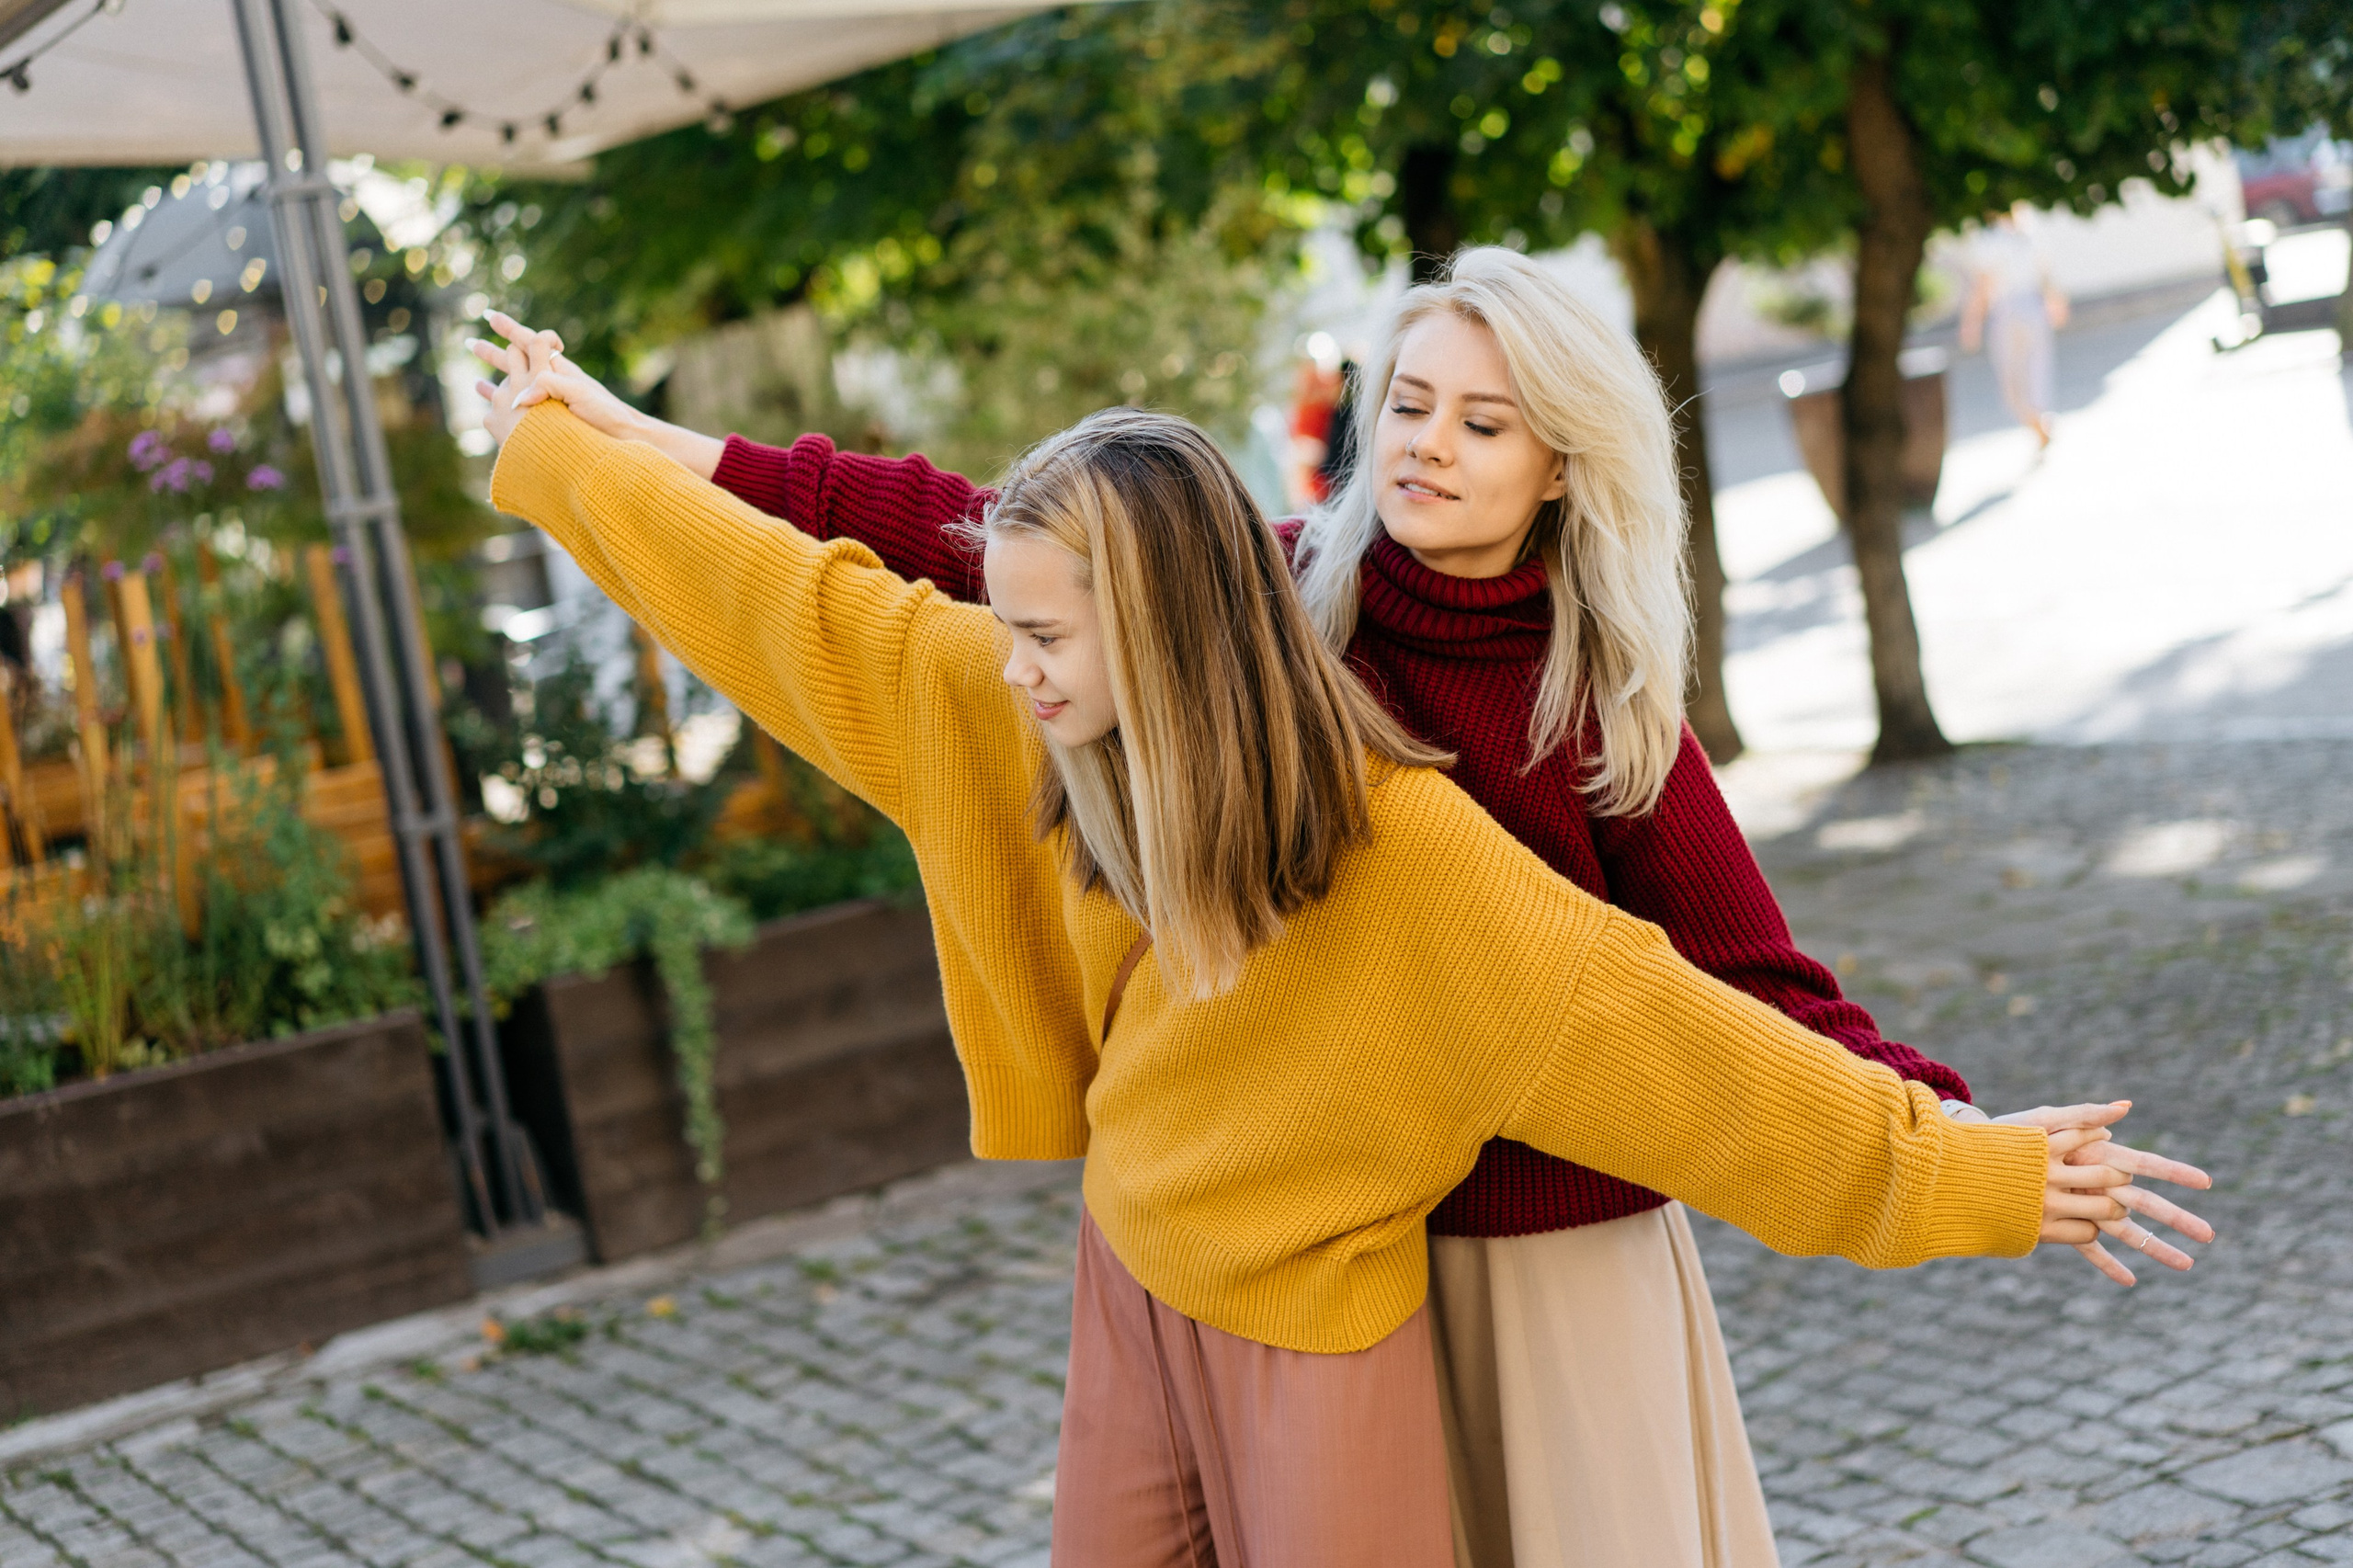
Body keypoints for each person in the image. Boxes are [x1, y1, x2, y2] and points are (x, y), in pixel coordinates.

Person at [470, 244, 2195, 1568]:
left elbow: (1734, 1000)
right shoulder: (1273, 596)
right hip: (1315, 1239)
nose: (1429, 444)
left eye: (1484, 419)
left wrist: (1964, 1143)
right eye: (1412, 402)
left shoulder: (1589, 711)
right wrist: (641, 446)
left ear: (1564, 463)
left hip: (1540, 1259)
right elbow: (951, 543)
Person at [1961, 208, 2070, 449]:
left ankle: (2037, 422)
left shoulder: (1993, 239)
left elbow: (1982, 286)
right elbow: (2048, 277)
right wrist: (2057, 304)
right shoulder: (2029, 234)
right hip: (2033, 309)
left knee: (2013, 380)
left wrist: (1972, 324)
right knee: (2036, 369)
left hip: (2009, 311)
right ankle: (2040, 422)